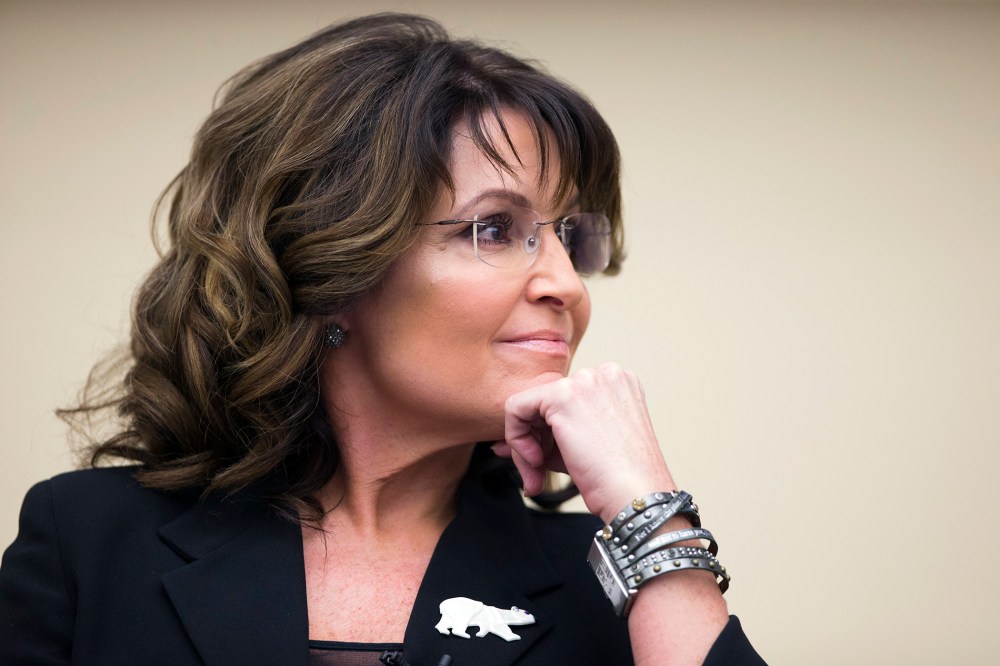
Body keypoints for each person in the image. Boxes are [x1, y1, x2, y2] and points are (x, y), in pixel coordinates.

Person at [0, 13, 764, 666]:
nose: (566, 285)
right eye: (495, 229)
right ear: (330, 266)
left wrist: (652, 521)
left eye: (571, 237)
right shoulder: (89, 542)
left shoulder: (612, 581)